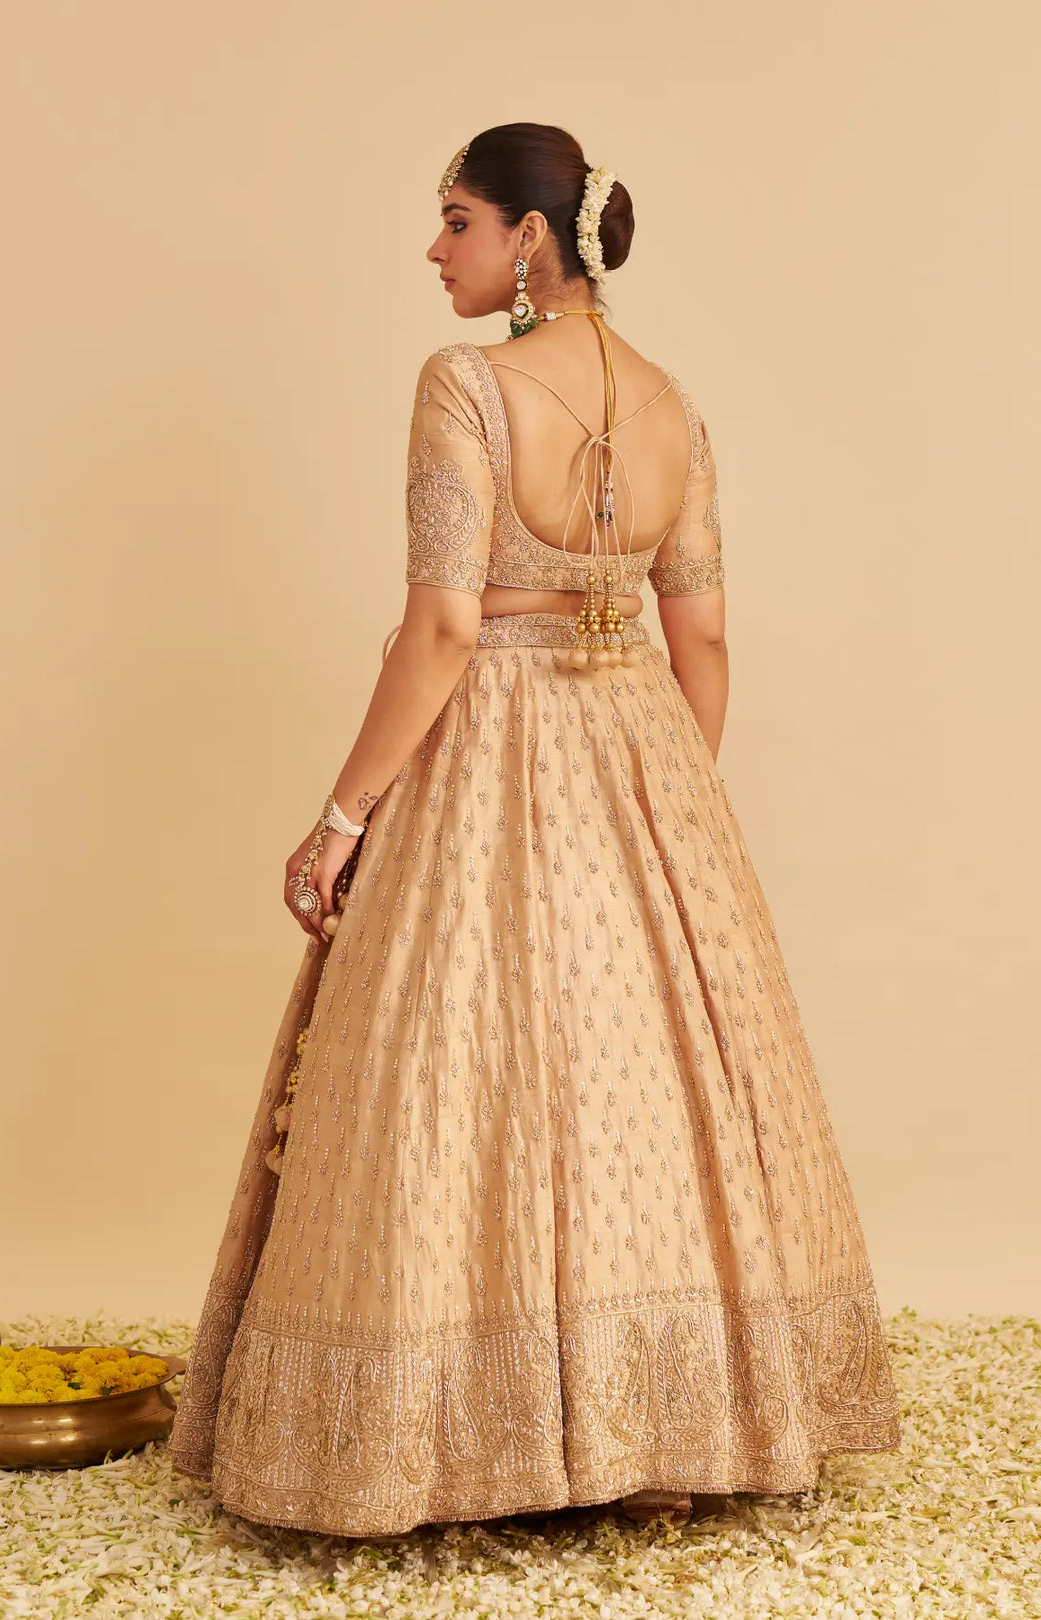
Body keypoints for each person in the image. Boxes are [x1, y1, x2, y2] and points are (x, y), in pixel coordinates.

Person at [168, 122, 902, 1539]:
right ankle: (672, 1426)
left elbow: (445, 627)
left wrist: (340, 816)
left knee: (464, 1072)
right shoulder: (679, 405)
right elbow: (707, 639)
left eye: (455, 220)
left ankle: (442, 1448)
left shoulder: (468, 384)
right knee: (636, 1086)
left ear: (531, 240)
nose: (435, 249)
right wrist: (673, 807)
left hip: (492, 747)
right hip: (645, 743)